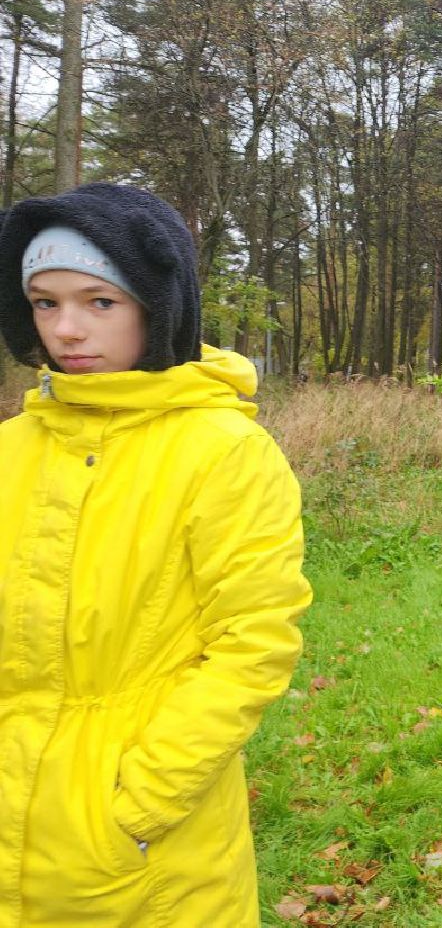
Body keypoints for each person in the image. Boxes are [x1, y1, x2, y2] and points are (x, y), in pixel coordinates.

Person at [0, 184, 311, 925]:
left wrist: (142, 799)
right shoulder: (13, 449)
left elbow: (253, 645)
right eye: (46, 303)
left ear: (155, 302)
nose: (68, 329)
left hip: (141, 845)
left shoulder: (224, 452)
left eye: (99, 302)